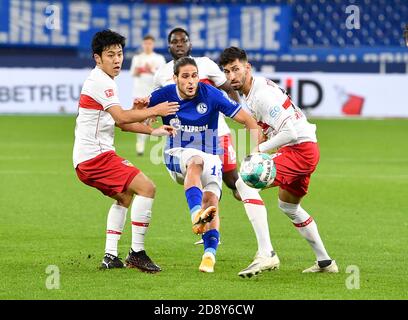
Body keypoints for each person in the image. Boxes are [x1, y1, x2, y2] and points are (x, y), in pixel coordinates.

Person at [219, 47, 338, 277]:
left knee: (244, 183)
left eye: (236, 69)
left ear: (247, 67)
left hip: (299, 149)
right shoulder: (252, 92)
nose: (232, 76)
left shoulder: (261, 95)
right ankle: (325, 262)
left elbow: (290, 133)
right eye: (227, 71)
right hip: (305, 149)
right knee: (289, 206)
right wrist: (262, 143)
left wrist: (257, 150)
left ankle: (267, 254)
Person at [73, 29, 179, 273]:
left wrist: (152, 131)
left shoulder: (104, 81)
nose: (117, 59)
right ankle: (137, 254)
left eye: (119, 54)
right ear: (97, 58)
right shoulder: (100, 81)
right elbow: (121, 117)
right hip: (96, 157)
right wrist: (155, 110)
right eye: (110, 55)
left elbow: (119, 123)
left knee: (125, 196)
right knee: (147, 187)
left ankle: (110, 256)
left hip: (87, 159)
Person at [148, 57, 260, 273]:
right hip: (176, 154)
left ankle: (209, 255)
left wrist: (257, 151)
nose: (191, 81)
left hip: (210, 153)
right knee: (195, 162)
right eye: (185, 76)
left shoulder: (211, 94)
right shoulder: (164, 95)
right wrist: (147, 117)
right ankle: (195, 215)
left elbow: (247, 120)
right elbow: (138, 112)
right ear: (175, 78)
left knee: (211, 199)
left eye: (194, 76)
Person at [153, 27, 242, 201]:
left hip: (216, 132)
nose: (179, 45)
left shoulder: (206, 64)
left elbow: (229, 88)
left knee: (232, 180)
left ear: (190, 44)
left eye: (183, 41)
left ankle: (252, 204)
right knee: (202, 180)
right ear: (169, 46)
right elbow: (156, 102)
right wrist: (152, 115)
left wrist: (234, 111)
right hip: (184, 138)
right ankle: (204, 218)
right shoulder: (161, 73)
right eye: (175, 42)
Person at [130, 35, 166, 156]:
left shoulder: (159, 58)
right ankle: (140, 144)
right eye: (145, 43)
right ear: (142, 44)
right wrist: (139, 70)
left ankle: (161, 142)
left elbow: (163, 75)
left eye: (150, 43)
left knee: (153, 119)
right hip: (139, 93)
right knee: (140, 119)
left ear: (153, 44)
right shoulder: (137, 58)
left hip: (153, 93)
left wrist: (151, 70)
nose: (147, 45)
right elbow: (132, 73)